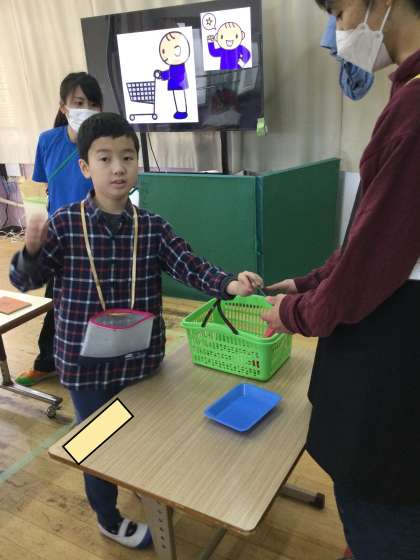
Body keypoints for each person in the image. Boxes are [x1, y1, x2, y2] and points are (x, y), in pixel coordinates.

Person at [10, 112, 263, 549]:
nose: (118, 168)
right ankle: (107, 517)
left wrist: (228, 283)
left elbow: (190, 265)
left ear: (138, 163)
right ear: (85, 167)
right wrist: (30, 252)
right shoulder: (66, 224)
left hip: (140, 361)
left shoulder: (152, 227)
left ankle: (140, 483)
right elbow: (24, 281)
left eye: (127, 157)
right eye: (105, 158)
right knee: (95, 441)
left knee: (142, 433)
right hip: (86, 367)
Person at [262, 0, 420, 558]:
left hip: (392, 368)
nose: (337, 31)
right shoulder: (406, 96)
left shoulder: (415, 109)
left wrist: (293, 312)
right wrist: (308, 282)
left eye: (339, 10)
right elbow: (371, 238)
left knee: (382, 506)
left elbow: (369, 266)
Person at [16, 72, 103, 387]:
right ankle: (47, 362)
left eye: (92, 103)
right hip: (60, 236)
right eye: (79, 102)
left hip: (98, 235)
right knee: (56, 300)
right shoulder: (47, 140)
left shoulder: (103, 141)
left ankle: (103, 362)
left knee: (102, 302)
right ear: (63, 107)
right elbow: (45, 187)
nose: (85, 109)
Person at [155, 31, 191, 119]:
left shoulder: (179, 64)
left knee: (180, 97)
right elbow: (171, 72)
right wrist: (162, 74)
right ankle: (180, 111)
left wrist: (163, 75)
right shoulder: (174, 64)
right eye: (164, 51)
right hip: (176, 85)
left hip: (179, 85)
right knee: (177, 98)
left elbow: (173, 73)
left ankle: (182, 111)